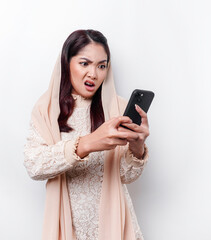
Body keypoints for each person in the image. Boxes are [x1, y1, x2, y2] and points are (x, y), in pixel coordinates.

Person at [24, 29, 150, 240]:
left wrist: (137, 147)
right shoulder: (46, 110)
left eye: (102, 66)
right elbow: (34, 165)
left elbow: (126, 176)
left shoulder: (117, 108)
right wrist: (89, 142)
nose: (94, 74)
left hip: (113, 224)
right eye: (85, 63)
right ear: (67, 63)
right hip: (67, 224)